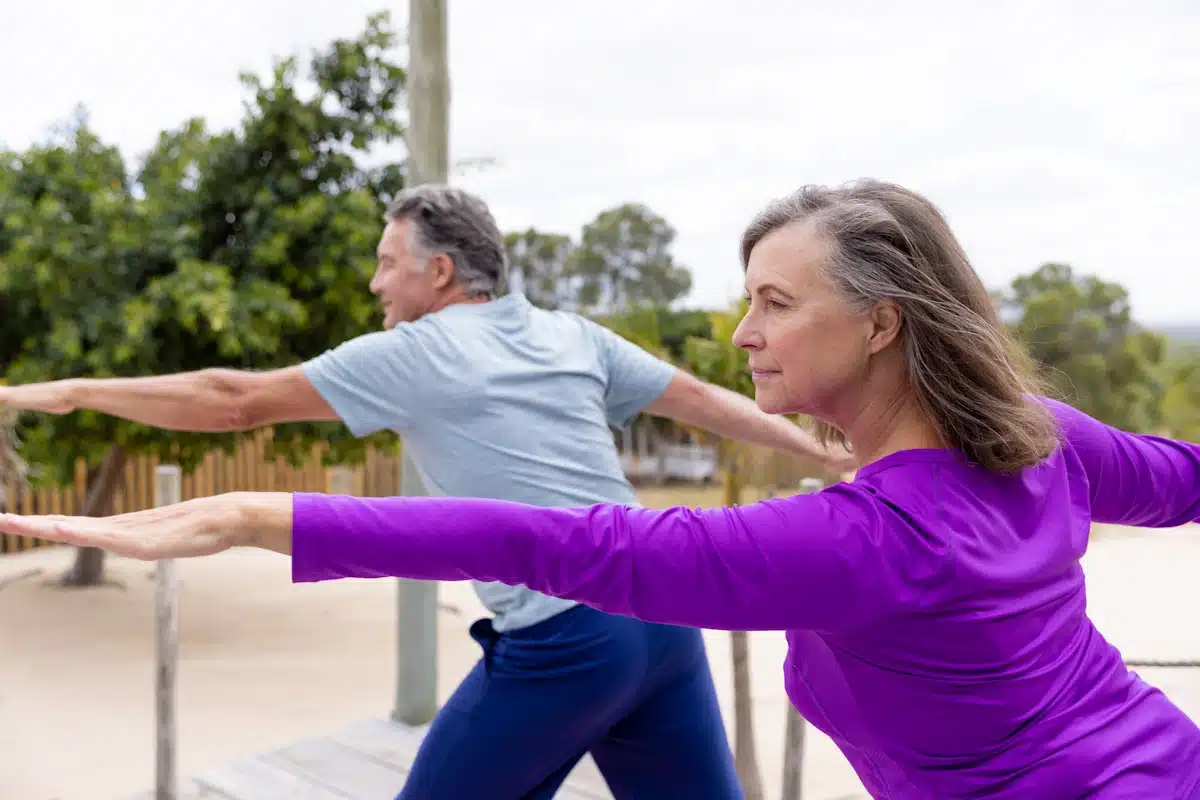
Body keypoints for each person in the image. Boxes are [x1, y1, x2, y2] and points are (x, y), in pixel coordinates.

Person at [7, 178, 1200, 799]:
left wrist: (240, 508)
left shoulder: (864, 539)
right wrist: (821, 445)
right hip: (1156, 757)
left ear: (883, 322)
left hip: (570, 641)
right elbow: (1186, 479)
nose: (744, 330)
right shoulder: (1032, 435)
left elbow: (560, 542)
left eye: (776, 303)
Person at [0, 184, 856, 800]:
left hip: (565, 640)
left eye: (386, 264)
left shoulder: (419, 351)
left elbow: (235, 401)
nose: (376, 284)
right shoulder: (570, 334)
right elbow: (709, 404)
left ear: (439, 273)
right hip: (663, 626)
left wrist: (72, 391)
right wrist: (837, 456)